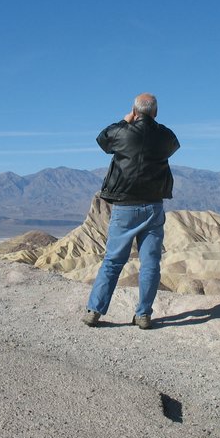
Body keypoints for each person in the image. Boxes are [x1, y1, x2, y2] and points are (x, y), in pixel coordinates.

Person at [82, 93, 180, 329]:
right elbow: (174, 145)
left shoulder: (122, 132)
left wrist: (125, 121)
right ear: (155, 112)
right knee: (150, 263)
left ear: (134, 111)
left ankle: (94, 311)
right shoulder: (164, 135)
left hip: (125, 207)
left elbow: (102, 139)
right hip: (153, 207)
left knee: (113, 261)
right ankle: (144, 315)